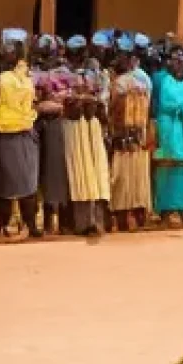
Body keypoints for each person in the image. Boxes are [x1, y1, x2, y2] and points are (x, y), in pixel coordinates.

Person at [0, 29, 40, 240]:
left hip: (24, 131)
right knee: (6, 182)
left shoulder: (25, 76)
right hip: (5, 133)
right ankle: (1, 224)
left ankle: (29, 222)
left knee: (27, 181)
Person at [61, 36, 111, 237]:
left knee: (96, 173)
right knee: (77, 173)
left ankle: (97, 221)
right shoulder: (62, 73)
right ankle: (78, 223)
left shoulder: (97, 73)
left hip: (93, 127)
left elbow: (103, 98)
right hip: (73, 127)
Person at [151, 45, 183, 229]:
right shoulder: (159, 79)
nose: (178, 61)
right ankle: (165, 209)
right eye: (174, 57)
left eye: (182, 57)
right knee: (166, 165)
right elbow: (154, 105)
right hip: (166, 126)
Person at [108, 35, 152, 232]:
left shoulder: (118, 84)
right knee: (137, 176)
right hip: (138, 136)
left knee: (122, 176)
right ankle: (137, 213)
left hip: (121, 136)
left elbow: (112, 109)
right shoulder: (142, 82)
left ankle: (121, 215)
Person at [32, 34, 71, 236]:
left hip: (56, 125)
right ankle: (40, 220)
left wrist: (49, 104)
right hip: (36, 124)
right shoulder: (33, 72)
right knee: (38, 172)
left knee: (55, 173)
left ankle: (57, 219)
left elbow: (68, 100)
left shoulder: (64, 72)